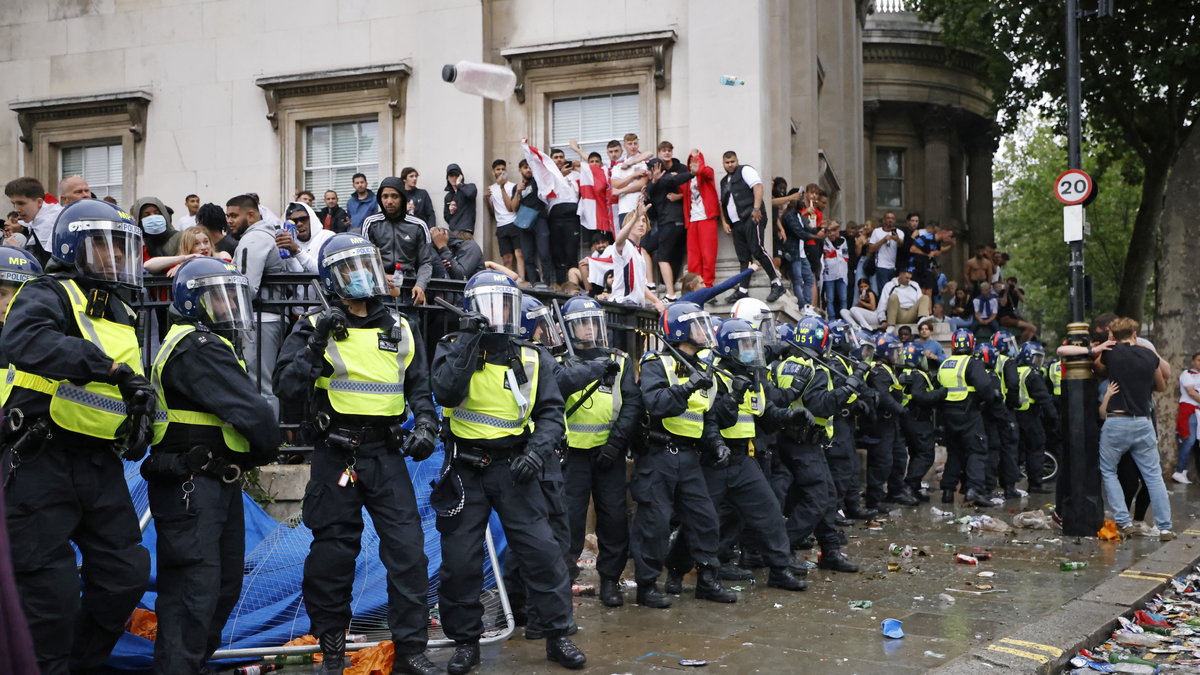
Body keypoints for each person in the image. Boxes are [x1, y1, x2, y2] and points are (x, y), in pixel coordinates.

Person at [273, 234, 441, 674]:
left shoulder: (400, 328)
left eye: (367, 264)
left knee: (409, 553)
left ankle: (411, 649)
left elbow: (420, 389)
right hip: (335, 452)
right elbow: (286, 388)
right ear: (331, 278)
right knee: (333, 554)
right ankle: (331, 649)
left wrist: (426, 424)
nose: (363, 275)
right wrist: (316, 343)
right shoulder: (314, 325)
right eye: (350, 268)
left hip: (385, 454)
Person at [2, 198, 153, 674]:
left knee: (125, 575)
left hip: (98, 464)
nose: (117, 259)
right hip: (39, 460)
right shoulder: (47, 291)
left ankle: (78, 665)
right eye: (106, 248)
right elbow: (24, 342)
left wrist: (139, 418)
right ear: (74, 246)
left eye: (124, 249)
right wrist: (106, 368)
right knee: (50, 594)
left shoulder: (122, 312)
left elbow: (128, 385)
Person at [431, 271, 586, 672]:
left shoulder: (533, 356)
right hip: (465, 469)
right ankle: (467, 642)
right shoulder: (452, 347)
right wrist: (470, 339)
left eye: (505, 305)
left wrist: (536, 453)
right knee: (461, 562)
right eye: (489, 305)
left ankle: (557, 635)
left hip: (515, 469)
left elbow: (551, 414)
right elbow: (446, 392)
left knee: (544, 554)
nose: (499, 314)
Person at [143, 257, 279, 673]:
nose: (228, 309)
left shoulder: (212, 346)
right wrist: (264, 447)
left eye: (231, 298)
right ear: (193, 303)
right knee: (192, 594)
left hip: (215, 482)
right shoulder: (195, 346)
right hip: (191, 483)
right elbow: (253, 414)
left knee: (220, 588)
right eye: (217, 300)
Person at [666, 318, 812, 592]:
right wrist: (732, 397)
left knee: (769, 512)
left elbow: (764, 416)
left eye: (752, 343)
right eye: (745, 343)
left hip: (743, 459)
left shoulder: (755, 377)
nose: (751, 349)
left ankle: (780, 570)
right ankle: (676, 570)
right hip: (714, 461)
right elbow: (712, 420)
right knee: (700, 521)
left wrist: (790, 417)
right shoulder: (714, 376)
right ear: (730, 347)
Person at [633, 301, 738, 608]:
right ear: (680, 330)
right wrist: (688, 386)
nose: (704, 332)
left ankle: (707, 580)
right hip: (659, 454)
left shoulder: (704, 367)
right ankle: (648, 585)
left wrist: (716, 442)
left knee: (705, 519)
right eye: (696, 325)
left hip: (690, 457)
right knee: (654, 522)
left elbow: (704, 417)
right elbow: (656, 403)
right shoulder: (657, 362)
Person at [558, 296, 641, 607]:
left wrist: (616, 443)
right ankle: (563, 584)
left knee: (614, 518)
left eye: (593, 322)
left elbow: (632, 403)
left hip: (609, 453)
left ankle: (610, 580)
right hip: (571, 454)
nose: (589, 329)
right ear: (569, 328)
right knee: (569, 522)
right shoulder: (560, 360)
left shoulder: (619, 360)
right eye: (582, 323)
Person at [770, 317, 863, 572]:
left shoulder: (785, 364)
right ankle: (782, 548)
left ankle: (830, 551)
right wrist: (849, 387)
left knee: (827, 496)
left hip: (791, 440)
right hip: (804, 442)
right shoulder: (815, 368)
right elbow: (820, 404)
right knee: (819, 498)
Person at [1079, 317, 1175, 539]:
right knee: (1153, 476)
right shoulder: (1150, 355)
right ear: (1135, 333)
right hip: (1143, 421)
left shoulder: (1112, 353)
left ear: (1112, 335)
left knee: (1109, 471)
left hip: (1117, 420)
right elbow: (1161, 385)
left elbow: (1097, 368)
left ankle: (1123, 520)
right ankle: (1165, 526)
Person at [228, 193, 302, 410]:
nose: (229, 220)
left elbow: (246, 287)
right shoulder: (267, 235)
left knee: (260, 385)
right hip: (269, 318)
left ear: (251, 215)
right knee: (263, 383)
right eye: (228, 215)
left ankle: (267, 442)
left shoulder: (255, 239)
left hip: (261, 319)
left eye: (234, 215)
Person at [937, 329, 997, 507]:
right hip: (969, 412)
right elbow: (985, 387)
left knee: (954, 453)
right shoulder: (972, 363)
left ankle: (948, 491)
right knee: (976, 451)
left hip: (948, 414)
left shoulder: (946, 363)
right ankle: (974, 490)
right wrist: (992, 399)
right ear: (972, 344)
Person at [719, 151, 785, 304]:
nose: (730, 165)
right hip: (736, 223)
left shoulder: (745, 170)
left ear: (737, 161)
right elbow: (722, 204)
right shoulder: (723, 181)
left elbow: (758, 187)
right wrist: (724, 222)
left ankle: (777, 283)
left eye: (732, 162)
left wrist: (756, 208)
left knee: (758, 249)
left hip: (751, 216)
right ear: (723, 163)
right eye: (727, 162)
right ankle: (743, 290)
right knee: (743, 258)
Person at [360, 176, 435, 306]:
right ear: (380, 199)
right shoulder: (371, 223)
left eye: (394, 196)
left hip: (409, 290)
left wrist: (420, 285)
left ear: (402, 198)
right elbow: (365, 259)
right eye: (385, 196)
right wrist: (382, 274)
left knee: (410, 325)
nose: (389, 201)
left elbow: (426, 262)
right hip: (379, 290)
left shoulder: (418, 225)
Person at [867, 333, 919, 508]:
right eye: (895, 351)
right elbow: (883, 396)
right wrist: (901, 410)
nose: (898, 355)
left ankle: (895, 491)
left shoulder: (889, 369)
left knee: (899, 457)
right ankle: (874, 499)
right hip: (882, 422)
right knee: (882, 461)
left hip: (892, 422)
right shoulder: (878, 370)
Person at [897, 343, 946, 501]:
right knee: (926, 455)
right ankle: (910, 485)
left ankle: (914, 487)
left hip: (908, 419)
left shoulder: (903, 372)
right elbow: (921, 397)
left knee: (916, 453)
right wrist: (940, 393)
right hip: (918, 419)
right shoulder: (918, 375)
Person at [1013, 341, 1058, 494]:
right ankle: (1035, 485)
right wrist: (1054, 417)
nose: (1038, 362)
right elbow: (1044, 398)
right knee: (1036, 450)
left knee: (1016, 452)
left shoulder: (1014, 370)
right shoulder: (1032, 375)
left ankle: (1010, 487)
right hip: (1031, 416)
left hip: (1015, 416)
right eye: (1036, 358)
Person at [682, 149, 720, 288]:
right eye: (691, 160)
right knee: (693, 258)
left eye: (696, 160)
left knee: (708, 255)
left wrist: (700, 164)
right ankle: (694, 287)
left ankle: (708, 285)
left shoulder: (707, 171)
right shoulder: (686, 177)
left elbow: (707, 173)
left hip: (707, 218)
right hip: (692, 220)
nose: (694, 163)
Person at [6, 177, 62, 265]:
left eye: (21, 203)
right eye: (14, 204)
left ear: (39, 202)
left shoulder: (50, 223)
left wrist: (17, 252)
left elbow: (46, 267)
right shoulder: (38, 220)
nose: (16, 209)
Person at [546, 148, 581, 285]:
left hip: (572, 217)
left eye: (561, 157)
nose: (559, 159)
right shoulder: (548, 173)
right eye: (556, 157)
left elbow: (591, 176)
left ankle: (574, 285)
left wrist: (579, 166)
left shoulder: (574, 175)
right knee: (558, 253)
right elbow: (546, 187)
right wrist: (560, 174)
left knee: (571, 251)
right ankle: (561, 285)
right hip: (555, 217)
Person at [143, 225, 229, 275]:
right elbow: (148, 265)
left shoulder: (222, 255)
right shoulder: (181, 264)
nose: (203, 247)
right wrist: (184, 260)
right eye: (196, 244)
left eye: (206, 242)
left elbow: (228, 272)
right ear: (188, 246)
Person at [487, 159, 522, 277]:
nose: (501, 171)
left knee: (519, 254)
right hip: (501, 226)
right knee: (507, 258)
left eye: (503, 169)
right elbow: (492, 211)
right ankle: (510, 281)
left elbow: (512, 207)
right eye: (498, 169)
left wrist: (502, 187)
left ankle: (522, 280)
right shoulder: (491, 189)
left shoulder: (513, 186)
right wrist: (487, 199)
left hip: (514, 223)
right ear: (493, 172)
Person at [1175, 352, 1200, 484]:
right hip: (1190, 410)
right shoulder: (1187, 374)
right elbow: (1191, 392)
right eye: (1199, 360)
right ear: (1193, 361)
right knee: (1189, 440)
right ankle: (1180, 471)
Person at [820, 221, 850, 319]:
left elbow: (845, 256)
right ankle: (832, 318)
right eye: (830, 231)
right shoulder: (824, 241)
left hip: (841, 273)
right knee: (830, 299)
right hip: (829, 275)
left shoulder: (842, 240)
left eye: (834, 231)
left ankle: (845, 318)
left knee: (843, 298)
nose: (832, 233)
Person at [867, 211, 901, 292]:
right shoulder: (876, 231)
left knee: (894, 291)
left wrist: (897, 239)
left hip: (894, 267)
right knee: (884, 291)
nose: (890, 220)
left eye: (892, 218)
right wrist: (883, 240)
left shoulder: (899, 232)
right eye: (888, 218)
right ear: (884, 220)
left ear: (895, 221)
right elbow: (871, 249)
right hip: (881, 266)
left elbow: (903, 245)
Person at [443, 163, 478, 238]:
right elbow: (446, 217)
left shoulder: (470, 187)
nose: (454, 178)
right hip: (452, 233)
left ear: (460, 176)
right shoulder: (448, 196)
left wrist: (459, 184)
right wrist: (451, 212)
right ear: (447, 178)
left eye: (456, 175)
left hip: (465, 231)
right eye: (451, 176)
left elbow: (470, 194)